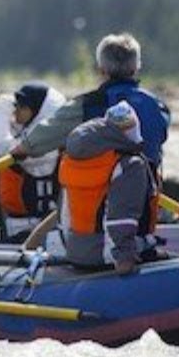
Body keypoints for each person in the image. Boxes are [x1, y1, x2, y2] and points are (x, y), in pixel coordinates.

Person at [10, 33, 171, 173]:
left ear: (101, 70)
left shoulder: (87, 105)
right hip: (146, 194)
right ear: (136, 68)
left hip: (101, 196)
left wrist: (23, 148)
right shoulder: (158, 106)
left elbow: (48, 131)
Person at [54, 101, 158, 274]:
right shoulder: (128, 165)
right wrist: (124, 258)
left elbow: (64, 213)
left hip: (75, 254)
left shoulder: (71, 159)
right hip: (107, 258)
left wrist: (66, 252)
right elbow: (121, 215)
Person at [0, 81, 67, 244]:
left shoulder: (46, 144)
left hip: (47, 230)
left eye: (22, 107)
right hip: (16, 226)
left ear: (40, 113)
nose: (16, 111)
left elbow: (0, 148)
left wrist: (2, 112)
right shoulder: (25, 136)